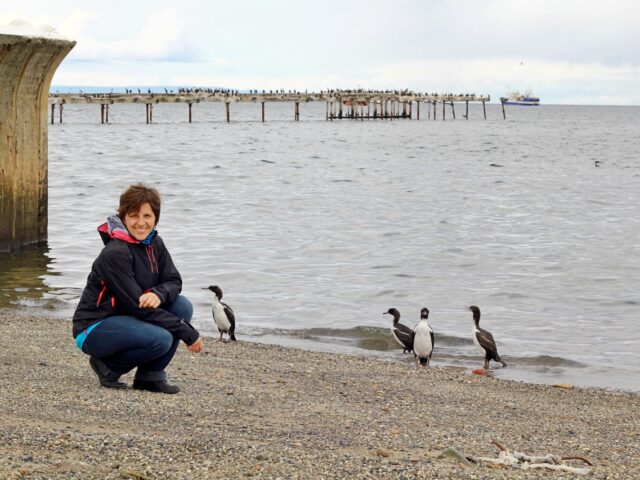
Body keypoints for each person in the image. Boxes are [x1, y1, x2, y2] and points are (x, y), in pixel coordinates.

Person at [72, 183, 203, 394]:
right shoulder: (115, 253)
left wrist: (157, 294)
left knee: (182, 305)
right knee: (162, 338)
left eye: (147, 216)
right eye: (134, 216)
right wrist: (187, 331)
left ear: (156, 218)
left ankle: (150, 376)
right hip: (94, 327)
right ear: (123, 217)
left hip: (128, 317)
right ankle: (108, 366)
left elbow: (174, 280)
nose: (141, 223)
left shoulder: (155, 243)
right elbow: (137, 306)